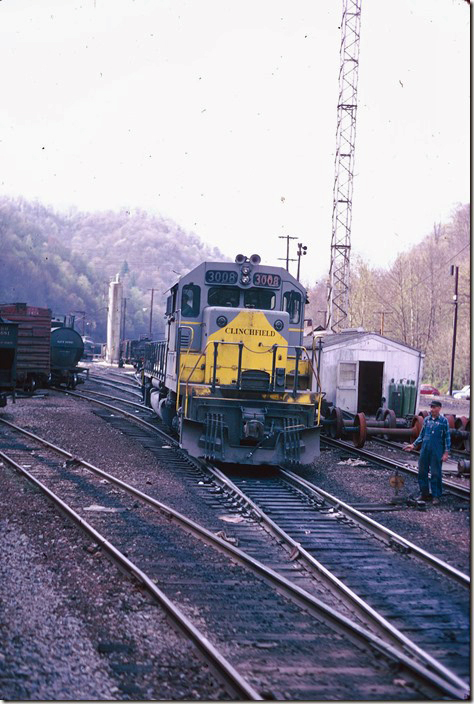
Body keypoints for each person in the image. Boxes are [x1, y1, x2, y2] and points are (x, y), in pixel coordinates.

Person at [403, 399, 451, 505]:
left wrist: (446, 453)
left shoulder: (444, 421)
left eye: (434, 407)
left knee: (435, 473)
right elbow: (422, 435)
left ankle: (436, 496)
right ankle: (424, 493)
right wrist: (414, 445)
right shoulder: (427, 420)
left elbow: (447, 438)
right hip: (425, 449)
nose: (432, 409)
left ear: (439, 408)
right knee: (422, 472)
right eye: (431, 407)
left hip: (437, 451)